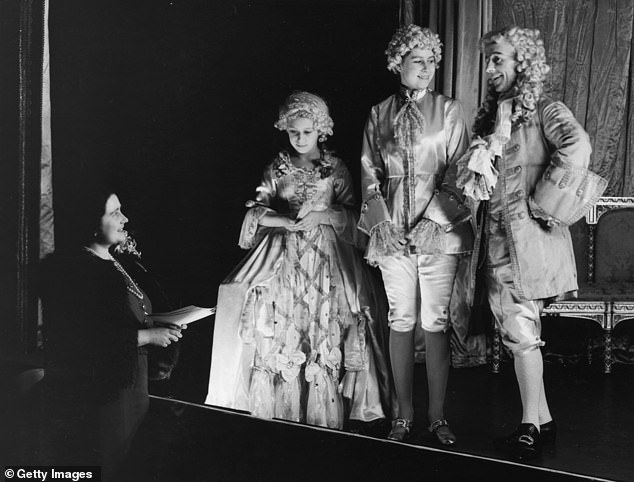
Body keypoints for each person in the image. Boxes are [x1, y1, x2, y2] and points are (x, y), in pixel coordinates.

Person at [457, 26, 607, 460]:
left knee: (522, 333)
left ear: (522, 61)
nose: (490, 68)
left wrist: (545, 202)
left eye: (498, 59)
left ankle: (529, 427)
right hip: (496, 242)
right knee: (520, 331)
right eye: (488, 60)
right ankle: (542, 421)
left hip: (528, 242)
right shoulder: (491, 118)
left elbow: (578, 146)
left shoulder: (545, 109)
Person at [206, 91, 391, 430]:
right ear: (285, 129)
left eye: (307, 132)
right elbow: (257, 210)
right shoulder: (278, 167)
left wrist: (323, 216)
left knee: (342, 312)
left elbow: (353, 213)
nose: (300, 138)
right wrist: (285, 221)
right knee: (257, 305)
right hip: (286, 251)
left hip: (327, 253)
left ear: (321, 130)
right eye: (294, 132)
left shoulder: (335, 168)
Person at [358, 25, 472, 445]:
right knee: (401, 318)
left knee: (435, 319)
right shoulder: (378, 113)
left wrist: (433, 221)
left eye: (431, 61)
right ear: (397, 64)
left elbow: (460, 171)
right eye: (417, 61)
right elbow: (370, 175)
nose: (426, 69)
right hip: (392, 233)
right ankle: (402, 417)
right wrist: (383, 224)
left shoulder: (450, 110)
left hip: (438, 232)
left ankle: (438, 416)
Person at [40, 190, 185, 479]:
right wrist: (147, 337)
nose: (125, 218)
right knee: (108, 466)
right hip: (108, 394)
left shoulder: (120, 263)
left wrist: (162, 325)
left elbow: (125, 317)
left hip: (135, 384)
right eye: (114, 212)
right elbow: (79, 339)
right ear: (93, 222)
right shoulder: (75, 269)